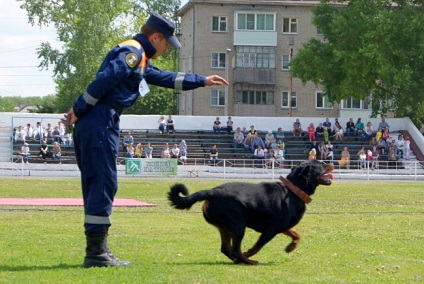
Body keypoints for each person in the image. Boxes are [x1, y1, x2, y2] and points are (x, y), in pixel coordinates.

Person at [60, 11, 228, 268]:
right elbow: (102, 82)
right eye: (166, 44)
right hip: (100, 119)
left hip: (101, 119)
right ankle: (96, 253)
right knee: (102, 184)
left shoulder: (140, 58)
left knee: (101, 184)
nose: (166, 50)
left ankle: (98, 249)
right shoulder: (133, 53)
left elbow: (164, 77)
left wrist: (202, 81)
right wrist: (78, 110)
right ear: (155, 37)